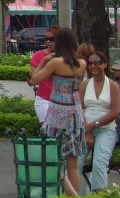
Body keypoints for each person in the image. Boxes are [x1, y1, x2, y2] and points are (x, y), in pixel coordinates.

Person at [28, 26, 87, 195]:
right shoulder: (81, 63)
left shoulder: (55, 62)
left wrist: (44, 61)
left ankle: (70, 195)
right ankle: (73, 193)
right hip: (75, 112)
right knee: (73, 162)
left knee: (52, 157)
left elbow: (33, 80)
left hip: (57, 110)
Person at [80, 49, 120, 191]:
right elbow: (79, 109)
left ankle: (97, 194)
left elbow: (115, 111)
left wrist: (94, 125)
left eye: (97, 62)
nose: (93, 66)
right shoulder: (84, 85)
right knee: (74, 164)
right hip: (85, 130)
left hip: (106, 129)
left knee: (99, 163)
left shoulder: (113, 86)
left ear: (105, 64)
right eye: (90, 63)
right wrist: (87, 130)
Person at [30, 27, 59, 126]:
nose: (48, 42)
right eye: (46, 39)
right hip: (44, 98)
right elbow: (31, 81)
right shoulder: (38, 55)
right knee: (48, 129)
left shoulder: (67, 56)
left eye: (52, 39)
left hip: (63, 100)